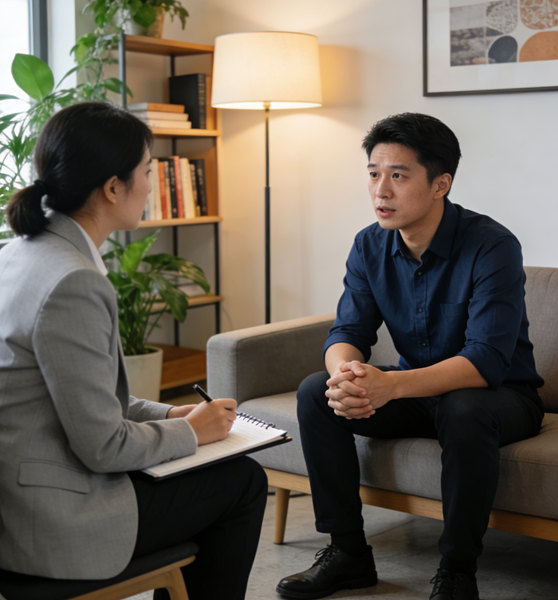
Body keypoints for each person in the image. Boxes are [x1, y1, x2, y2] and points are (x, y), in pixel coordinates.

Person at [0, 101, 267, 600]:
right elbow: (103, 446)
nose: (150, 185)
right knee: (242, 481)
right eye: (147, 171)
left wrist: (170, 414)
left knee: (213, 475)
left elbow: (83, 399)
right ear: (112, 188)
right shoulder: (73, 282)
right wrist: (192, 432)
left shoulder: (20, 252)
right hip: (51, 520)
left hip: (22, 493)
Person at [276, 112, 544, 600]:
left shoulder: (492, 245)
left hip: (500, 398)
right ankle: (347, 553)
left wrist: (391, 385)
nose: (381, 190)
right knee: (317, 392)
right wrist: (346, 376)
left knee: (464, 407)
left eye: (398, 176)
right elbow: (348, 331)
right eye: (373, 173)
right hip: (418, 392)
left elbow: (485, 359)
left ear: (440, 184)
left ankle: (457, 571)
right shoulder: (369, 244)